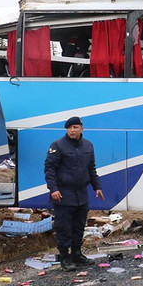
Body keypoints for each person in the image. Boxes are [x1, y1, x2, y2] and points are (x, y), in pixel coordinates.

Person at [44, 116, 104, 271]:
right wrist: (53, 189)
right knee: (64, 227)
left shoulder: (88, 146)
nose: (72, 130)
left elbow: (91, 168)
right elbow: (50, 169)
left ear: (81, 129)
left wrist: (97, 186)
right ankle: (65, 257)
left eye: (75, 127)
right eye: (69, 128)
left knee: (78, 226)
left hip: (81, 194)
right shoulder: (58, 145)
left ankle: (77, 254)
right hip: (63, 194)